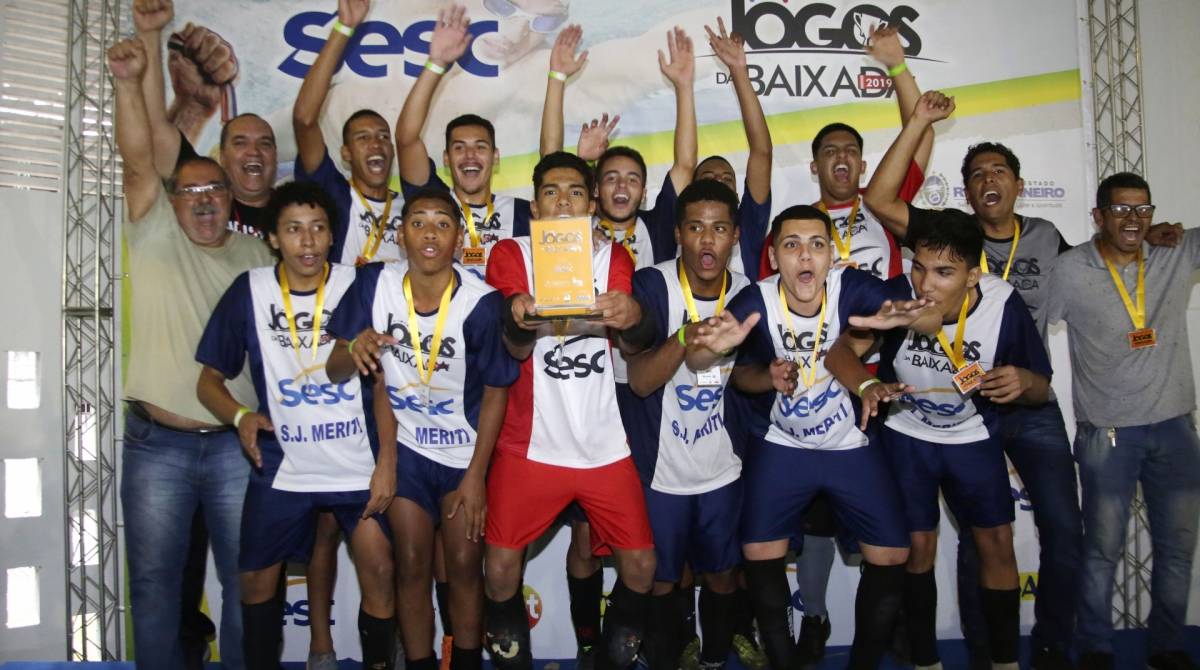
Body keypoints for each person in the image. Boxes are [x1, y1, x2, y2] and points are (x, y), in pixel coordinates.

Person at [684, 204, 939, 670]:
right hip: (787, 444)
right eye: (792, 245)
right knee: (758, 551)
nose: (806, 256)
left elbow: (929, 322)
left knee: (892, 553)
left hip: (848, 443)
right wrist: (753, 369)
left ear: (830, 255)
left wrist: (904, 318)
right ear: (774, 257)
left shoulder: (852, 287)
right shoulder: (756, 300)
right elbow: (728, 373)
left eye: (817, 245)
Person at [751, 26, 933, 665]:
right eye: (830, 152)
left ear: (861, 163)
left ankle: (896, 631)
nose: (842, 161)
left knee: (886, 526)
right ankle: (816, 617)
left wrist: (899, 68)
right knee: (815, 522)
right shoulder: (795, 233)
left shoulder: (885, 210)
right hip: (807, 385)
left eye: (852, 153)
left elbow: (921, 132)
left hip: (873, 387)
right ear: (817, 165)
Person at [824, 204, 1052, 670]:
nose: (926, 284)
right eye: (920, 267)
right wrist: (867, 383)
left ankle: (1005, 661)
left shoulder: (1002, 302)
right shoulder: (899, 297)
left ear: (972, 276)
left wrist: (1022, 383)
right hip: (909, 434)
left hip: (971, 435)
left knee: (996, 545)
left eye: (944, 272)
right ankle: (925, 661)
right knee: (918, 548)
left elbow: (1041, 385)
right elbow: (839, 353)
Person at [534, 23, 698, 668]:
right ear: (596, 187)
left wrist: (685, 86)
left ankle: (632, 641)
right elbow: (551, 168)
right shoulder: (569, 229)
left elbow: (684, 168)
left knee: (643, 537)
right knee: (582, 536)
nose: (623, 185)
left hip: (638, 397)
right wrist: (556, 85)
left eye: (634, 177)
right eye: (612, 177)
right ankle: (584, 643)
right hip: (572, 397)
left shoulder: (659, 226)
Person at [110, 37, 271, 670]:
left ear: (232, 199)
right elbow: (137, 158)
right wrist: (131, 80)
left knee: (245, 584)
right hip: (159, 446)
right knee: (153, 588)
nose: (205, 200)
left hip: (238, 447)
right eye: (191, 191)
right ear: (171, 199)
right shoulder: (150, 229)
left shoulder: (258, 258)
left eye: (216, 192)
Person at [194, 180, 398, 670]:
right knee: (256, 582)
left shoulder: (361, 285)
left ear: (332, 236)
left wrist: (388, 462)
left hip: (356, 464)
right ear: (274, 239)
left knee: (380, 569)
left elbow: (386, 385)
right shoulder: (251, 290)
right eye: (293, 230)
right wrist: (241, 416)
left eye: (317, 229)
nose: (307, 242)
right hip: (284, 465)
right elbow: (208, 382)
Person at [325, 188, 519, 670]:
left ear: (457, 237)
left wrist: (476, 476)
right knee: (411, 563)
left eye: (442, 223)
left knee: (464, 568)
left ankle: (467, 661)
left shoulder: (482, 303)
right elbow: (336, 370)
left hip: (462, 455)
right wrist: (354, 350)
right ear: (401, 234)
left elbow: (497, 391)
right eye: (418, 222)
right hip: (407, 448)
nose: (430, 233)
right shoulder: (374, 285)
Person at [481, 151, 658, 670]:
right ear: (535, 207)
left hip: (601, 444)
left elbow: (637, 340)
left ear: (592, 204)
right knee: (498, 568)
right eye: (552, 193)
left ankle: (605, 659)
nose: (563, 201)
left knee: (642, 565)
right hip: (529, 444)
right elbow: (514, 347)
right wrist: (520, 315)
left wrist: (634, 314)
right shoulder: (509, 254)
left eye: (576, 192)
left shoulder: (613, 258)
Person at [1045, 172, 1200, 670]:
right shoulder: (1068, 270)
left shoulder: (1175, 253)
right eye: (1120, 210)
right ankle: (1094, 646)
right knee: (1101, 551)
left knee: (1177, 550)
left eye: (1142, 210)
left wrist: (1167, 229)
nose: (1132, 220)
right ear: (1097, 216)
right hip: (1107, 435)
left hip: (1176, 429)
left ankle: (1168, 644)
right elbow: (1024, 324)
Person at [618, 180, 751, 670]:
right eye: (695, 227)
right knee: (661, 580)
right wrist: (684, 336)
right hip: (661, 469)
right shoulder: (654, 284)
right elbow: (640, 381)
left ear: (735, 235)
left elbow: (751, 378)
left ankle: (714, 658)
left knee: (721, 575)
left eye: (719, 229)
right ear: (678, 233)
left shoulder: (747, 294)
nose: (707, 241)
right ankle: (667, 660)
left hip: (722, 466)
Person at [396, 4, 532, 275]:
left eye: (480, 147)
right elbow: (406, 138)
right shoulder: (432, 201)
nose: (470, 156)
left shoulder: (523, 212)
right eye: (459, 148)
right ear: (446, 158)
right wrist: (436, 63)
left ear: (495, 157)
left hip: (502, 316)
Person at [133, 0, 276, 238]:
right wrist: (149, 34)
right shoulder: (201, 201)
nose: (254, 151)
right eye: (240, 142)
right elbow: (154, 131)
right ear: (221, 155)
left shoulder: (292, 211)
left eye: (265, 143)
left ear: (275, 155)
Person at [293, 0, 405, 267]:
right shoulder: (332, 194)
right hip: (343, 308)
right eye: (363, 138)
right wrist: (344, 27)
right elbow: (304, 119)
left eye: (383, 136)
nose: (376, 144)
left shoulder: (411, 206)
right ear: (345, 153)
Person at [692, 17, 771, 280]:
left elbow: (762, 152)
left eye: (727, 179)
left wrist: (738, 71)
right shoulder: (676, 223)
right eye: (710, 178)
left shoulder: (747, 225)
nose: (720, 183)